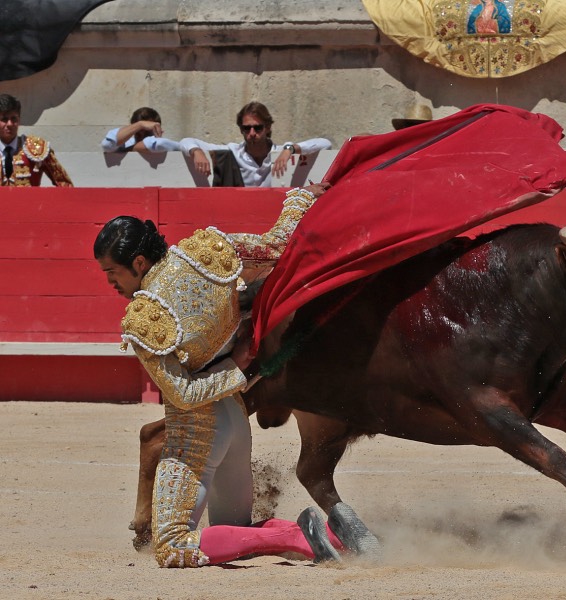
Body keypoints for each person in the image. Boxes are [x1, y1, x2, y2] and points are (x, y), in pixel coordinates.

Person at [93, 185, 378, 567]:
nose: (110, 283)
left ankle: (295, 536)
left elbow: (183, 394)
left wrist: (237, 369)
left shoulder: (143, 317)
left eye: (112, 272)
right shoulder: (207, 251)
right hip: (235, 426)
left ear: (140, 263)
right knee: (236, 528)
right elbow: (278, 245)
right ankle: (331, 535)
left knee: (174, 546)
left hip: (197, 438)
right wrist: (301, 198)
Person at [180, 101, 331, 187]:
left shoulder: (280, 151)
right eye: (247, 128)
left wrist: (289, 149)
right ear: (241, 129)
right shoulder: (232, 152)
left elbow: (325, 144)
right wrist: (196, 151)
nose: (252, 133)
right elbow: (186, 141)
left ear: (268, 127)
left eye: (257, 127)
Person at [0, 93, 73, 187]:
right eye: (4, 119)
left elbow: (65, 186)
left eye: (14, 118)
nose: (10, 124)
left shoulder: (36, 147)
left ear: (19, 119)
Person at [100, 106, 182, 153]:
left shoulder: (166, 144)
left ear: (159, 130)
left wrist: (127, 150)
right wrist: (140, 124)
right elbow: (107, 145)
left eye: (147, 131)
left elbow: (159, 144)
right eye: (138, 130)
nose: (142, 135)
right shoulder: (126, 143)